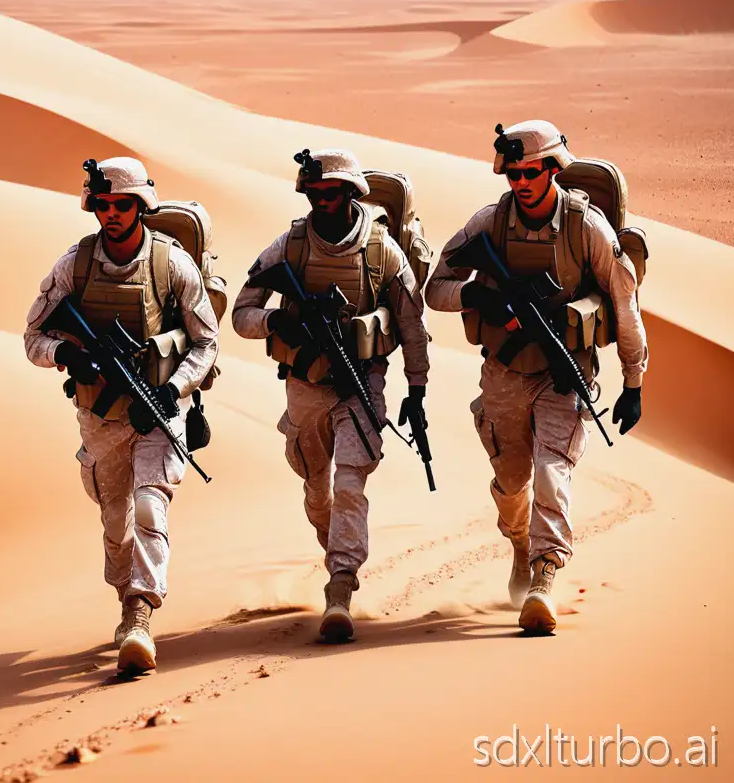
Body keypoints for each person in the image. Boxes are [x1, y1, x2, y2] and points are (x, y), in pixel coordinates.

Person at [425, 121, 647, 634]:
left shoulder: (585, 227)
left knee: (553, 472)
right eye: (514, 174)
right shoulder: (489, 224)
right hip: (503, 375)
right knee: (510, 485)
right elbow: (437, 286)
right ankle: (521, 546)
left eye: (532, 172)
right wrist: (478, 296)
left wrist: (633, 382)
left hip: (562, 375)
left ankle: (544, 577)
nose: (521, 183)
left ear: (552, 170)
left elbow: (623, 302)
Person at [24, 157, 219, 673]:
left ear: (141, 207)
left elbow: (206, 343)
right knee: (115, 522)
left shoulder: (171, 265)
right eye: (103, 205)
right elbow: (33, 338)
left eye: (122, 205)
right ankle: (124, 598)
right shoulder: (75, 266)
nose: (111, 214)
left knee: (151, 505)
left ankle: (140, 614)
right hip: (99, 418)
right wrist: (68, 356)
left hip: (158, 410)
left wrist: (172, 388)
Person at [232, 148, 430, 641]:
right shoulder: (289, 248)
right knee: (316, 490)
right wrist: (277, 320)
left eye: (332, 193)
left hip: (362, 383)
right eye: (314, 194)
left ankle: (340, 585)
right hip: (303, 386)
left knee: (349, 483)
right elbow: (241, 315)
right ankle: (332, 546)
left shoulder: (385, 252)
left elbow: (412, 326)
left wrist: (417, 390)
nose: (322, 201)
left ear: (351, 194)